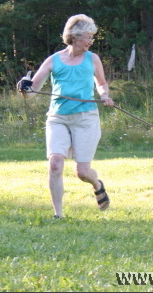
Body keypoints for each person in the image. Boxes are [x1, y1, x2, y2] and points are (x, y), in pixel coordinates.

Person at [17, 14, 114, 218]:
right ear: (75, 36)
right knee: (55, 164)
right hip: (58, 117)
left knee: (82, 172)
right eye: (88, 37)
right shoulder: (54, 60)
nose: (91, 41)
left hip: (85, 118)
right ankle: (58, 214)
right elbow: (31, 92)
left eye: (92, 37)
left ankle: (97, 185)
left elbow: (102, 83)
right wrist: (24, 87)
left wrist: (104, 95)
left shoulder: (92, 58)